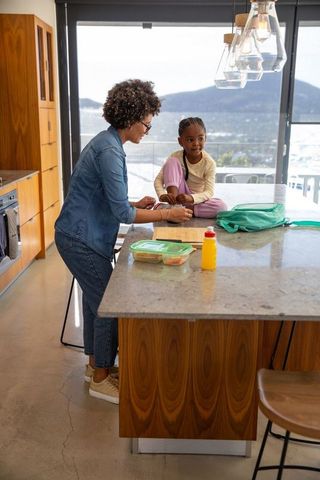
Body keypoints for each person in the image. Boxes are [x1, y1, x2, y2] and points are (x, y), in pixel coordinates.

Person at [55, 79, 192, 405]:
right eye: (146, 122)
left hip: (80, 234)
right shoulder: (109, 150)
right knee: (107, 307)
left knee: (95, 303)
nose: (147, 129)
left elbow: (113, 201)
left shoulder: (107, 143)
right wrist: (166, 214)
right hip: (80, 238)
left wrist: (137, 204)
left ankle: (94, 366)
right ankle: (102, 378)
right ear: (130, 118)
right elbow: (121, 213)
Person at [154, 117, 227, 217]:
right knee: (172, 162)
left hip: (196, 200)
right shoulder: (175, 157)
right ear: (180, 141)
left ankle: (175, 211)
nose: (196, 144)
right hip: (177, 198)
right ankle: (174, 207)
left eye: (200, 138)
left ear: (205, 138)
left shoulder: (209, 163)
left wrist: (190, 198)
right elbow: (158, 180)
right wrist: (162, 195)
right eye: (190, 140)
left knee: (221, 207)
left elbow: (209, 192)